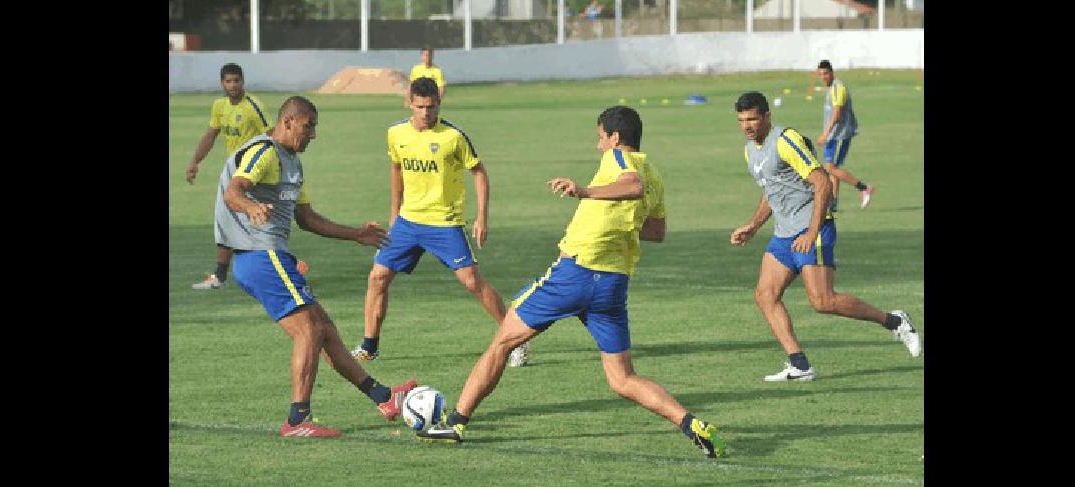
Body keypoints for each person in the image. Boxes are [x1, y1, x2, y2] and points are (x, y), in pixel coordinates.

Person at [416, 106, 726, 460]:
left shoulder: (621, 162)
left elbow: (632, 185)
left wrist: (585, 192)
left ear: (615, 137)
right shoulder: (655, 172)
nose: (598, 145)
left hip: (575, 274)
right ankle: (691, 424)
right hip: (612, 284)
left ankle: (455, 423)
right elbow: (656, 231)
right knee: (622, 378)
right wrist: (615, 222)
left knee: (503, 341)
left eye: (600, 136)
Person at [218, 95, 418, 437]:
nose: (313, 134)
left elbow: (307, 219)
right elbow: (234, 191)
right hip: (260, 256)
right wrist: (250, 207)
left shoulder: (293, 163)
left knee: (323, 327)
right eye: (308, 126)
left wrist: (356, 234)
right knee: (309, 331)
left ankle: (384, 397)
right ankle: (297, 420)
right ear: (288, 122)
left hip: (271, 258)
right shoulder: (265, 152)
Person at [729, 91, 920, 383]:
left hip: (812, 228)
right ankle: (799, 363)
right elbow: (772, 190)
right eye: (742, 120)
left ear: (767, 116)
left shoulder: (785, 140)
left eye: (753, 118)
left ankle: (895, 321)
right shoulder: (750, 150)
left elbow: (822, 184)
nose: (747, 125)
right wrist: (753, 226)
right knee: (765, 296)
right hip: (784, 234)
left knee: (823, 301)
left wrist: (812, 231)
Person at [354, 77, 529, 367]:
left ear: (439, 103)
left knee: (473, 282)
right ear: (409, 103)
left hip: (444, 223)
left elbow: (479, 173)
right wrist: (394, 212)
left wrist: (482, 217)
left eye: (431, 107)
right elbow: (396, 168)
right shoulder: (396, 133)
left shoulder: (453, 137)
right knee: (377, 277)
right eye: (420, 106)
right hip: (408, 223)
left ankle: (516, 341)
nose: (425, 113)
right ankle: (369, 347)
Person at [186, 63, 272, 290]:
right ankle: (221, 276)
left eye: (237, 81)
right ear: (222, 83)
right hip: (233, 171)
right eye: (228, 81)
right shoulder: (220, 106)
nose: (233, 85)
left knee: (255, 222)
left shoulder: (254, 105)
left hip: (252, 173)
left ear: (243, 81)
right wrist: (195, 162)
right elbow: (211, 134)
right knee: (231, 221)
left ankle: (224, 276)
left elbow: (271, 136)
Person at [815, 60, 875, 210]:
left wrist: (825, 134)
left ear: (832, 72)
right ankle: (833, 203)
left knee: (830, 168)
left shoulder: (838, 88)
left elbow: (836, 113)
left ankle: (864, 188)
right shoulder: (832, 88)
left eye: (826, 73)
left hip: (838, 135)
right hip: (834, 135)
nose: (823, 77)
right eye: (821, 74)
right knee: (834, 168)